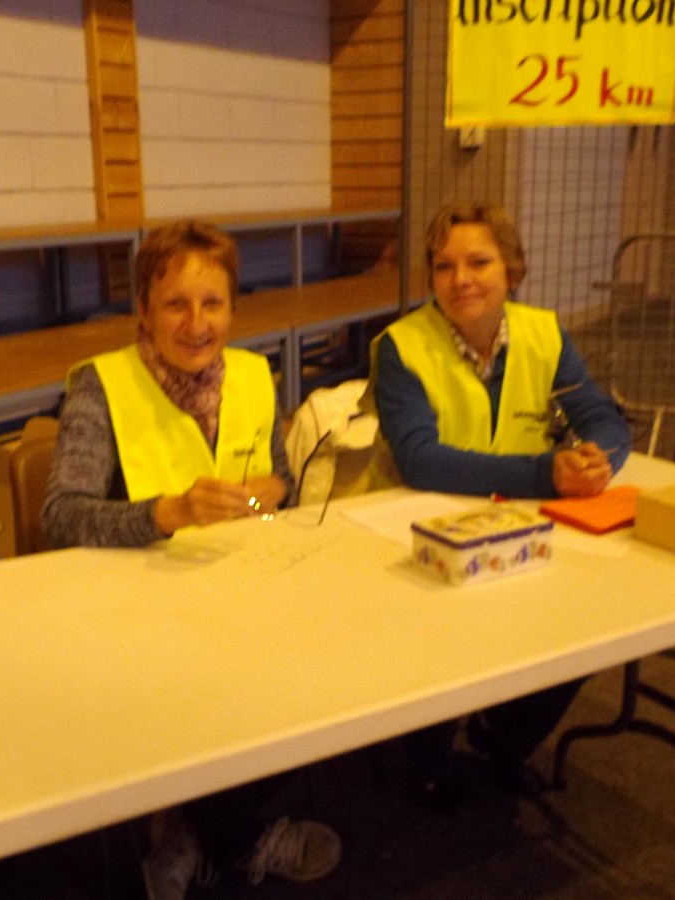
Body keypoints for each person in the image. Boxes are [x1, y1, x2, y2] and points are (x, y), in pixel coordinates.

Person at [42, 220, 342, 898]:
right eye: (175, 303)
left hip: (237, 597)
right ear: (143, 311)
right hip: (137, 616)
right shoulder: (101, 387)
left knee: (327, 677)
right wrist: (165, 513)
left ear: (233, 308)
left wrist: (275, 493)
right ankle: (233, 838)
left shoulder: (255, 377)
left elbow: (267, 494)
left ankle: (189, 830)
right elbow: (59, 516)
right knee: (230, 695)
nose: (197, 322)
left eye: (213, 303)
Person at [364, 203, 632, 807]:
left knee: (582, 628)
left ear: (513, 270)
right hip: (414, 532)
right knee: (438, 648)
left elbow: (601, 418)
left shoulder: (544, 334)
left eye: (479, 262)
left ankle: (500, 740)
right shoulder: (399, 348)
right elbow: (420, 459)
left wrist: (599, 460)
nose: (461, 280)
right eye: (444, 266)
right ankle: (427, 760)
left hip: (517, 526)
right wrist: (546, 473)